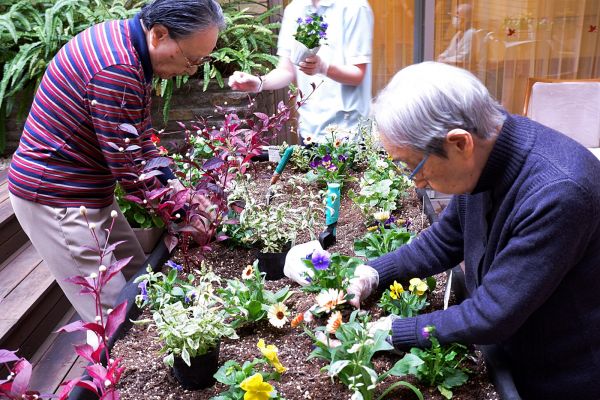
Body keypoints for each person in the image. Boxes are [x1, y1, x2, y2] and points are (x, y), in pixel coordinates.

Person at [348, 61, 600, 399]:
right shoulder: (488, 157)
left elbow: (492, 314)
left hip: (563, 375)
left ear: (459, 143)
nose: (415, 181)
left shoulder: (558, 193)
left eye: (413, 166)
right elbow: (444, 241)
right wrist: (373, 273)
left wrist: (391, 331)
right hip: (517, 346)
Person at [7, 0, 224, 324]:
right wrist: (186, 213)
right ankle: (113, 376)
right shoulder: (116, 69)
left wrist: (180, 191)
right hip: (57, 199)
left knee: (142, 282)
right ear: (159, 35)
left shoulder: (129, 47)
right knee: (113, 319)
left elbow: (139, 140)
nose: (191, 70)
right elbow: (131, 169)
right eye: (192, 59)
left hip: (85, 191)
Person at [228, 0, 373, 144]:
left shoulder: (355, 6)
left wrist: (323, 67)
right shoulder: (295, 9)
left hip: (349, 132)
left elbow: (358, 75)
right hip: (309, 129)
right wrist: (259, 83)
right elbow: (286, 70)